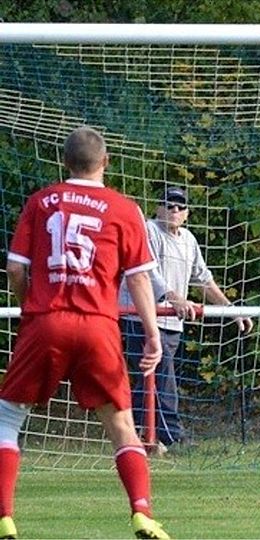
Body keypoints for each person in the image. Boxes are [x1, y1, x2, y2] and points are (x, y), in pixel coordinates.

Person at [0, 126, 169, 538]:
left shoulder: (42, 202)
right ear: (106, 162)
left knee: (7, 417)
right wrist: (152, 334)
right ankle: (141, 511)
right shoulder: (124, 208)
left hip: (46, 319)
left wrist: (30, 309)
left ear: (64, 162)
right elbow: (140, 280)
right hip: (99, 325)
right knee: (122, 424)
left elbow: (16, 268)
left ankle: (4, 515)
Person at [119, 187, 254, 452]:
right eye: (169, 205)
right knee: (161, 374)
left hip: (171, 322)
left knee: (150, 380)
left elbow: (203, 280)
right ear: (158, 208)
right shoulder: (149, 231)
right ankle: (172, 434)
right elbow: (148, 273)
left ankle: (135, 435)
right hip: (142, 316)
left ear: (187, 213)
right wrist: (174, 298)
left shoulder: (188, 240)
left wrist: (231, 309)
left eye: (180, 207)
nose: (175, 211)